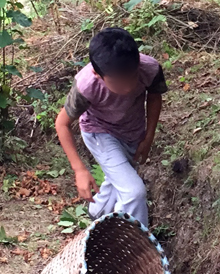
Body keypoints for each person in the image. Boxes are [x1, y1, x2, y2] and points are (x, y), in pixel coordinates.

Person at [54, 27, 167, 226]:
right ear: (97, 74)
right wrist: (79, 169)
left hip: (133, 131)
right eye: (117, 83)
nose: (128, 88)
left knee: (121, 181)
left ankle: (98, 212)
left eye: (131, 78)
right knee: (133, 192)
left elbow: (155, 97)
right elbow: (62, 123)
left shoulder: (150, 69)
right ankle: (133, 247)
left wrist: (148, 137)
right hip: (99, 133)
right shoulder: (86, 86)